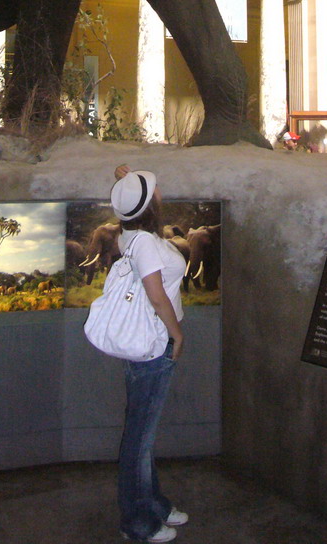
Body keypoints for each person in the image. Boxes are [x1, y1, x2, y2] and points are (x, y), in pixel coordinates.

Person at [109, 164, 188, 543]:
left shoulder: (133, 233)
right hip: (156, 348)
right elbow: (157, 296)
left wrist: (126, 179)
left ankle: (154, 504)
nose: (160, 194)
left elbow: (136, 204)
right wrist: (177, 335)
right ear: (149, 206)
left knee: (143, 435)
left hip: (149, 347)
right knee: (139, 440)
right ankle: (137, 523)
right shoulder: (143, 243)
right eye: (155, 191)